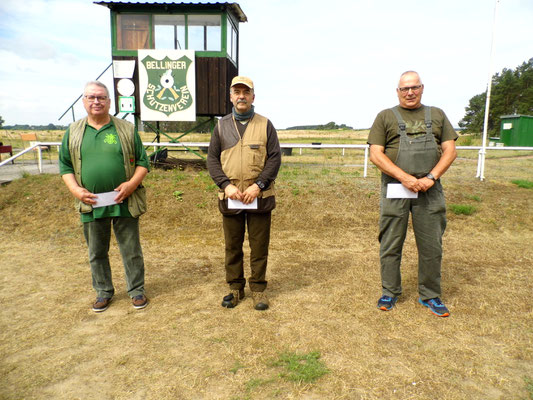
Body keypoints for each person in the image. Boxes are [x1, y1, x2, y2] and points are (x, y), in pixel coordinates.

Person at [368, 71, 458, 317]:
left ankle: (430, 295)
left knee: (431, 245)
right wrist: (405, 178)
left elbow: (450, 151)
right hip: (396, 188)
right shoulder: (385, 116)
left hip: (429, 189)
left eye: (414, 87)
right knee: (390, 243)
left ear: (422, 88)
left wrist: (431, 178)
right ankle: (390, 291)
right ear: (397, 91)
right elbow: (376, 154)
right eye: (404, 88)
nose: (410, 92)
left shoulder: (437, 115)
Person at [59, 81, 150, 313]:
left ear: (109, 102)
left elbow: (143, 162)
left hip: (125, 200)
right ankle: (103, 292)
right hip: (91, 203)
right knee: (97, 252)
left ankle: (136, 290)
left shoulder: (126, 129)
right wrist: (76, 191)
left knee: (131, 250)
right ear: (84, 101)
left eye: (101, 97)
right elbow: (65, 166)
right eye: (91, 97)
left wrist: (131, 185)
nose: (96, 101)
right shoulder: (73, 131)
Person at [207, 76, 281, 311]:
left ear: (252, 97)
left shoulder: (265, 124)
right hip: (231, 197)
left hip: (259, 197)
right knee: (233, 245)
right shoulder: (220, 126)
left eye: (245, 92)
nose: (241, 96)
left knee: (259, 245)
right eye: (237, 92)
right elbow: (212, 159)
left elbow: (275, 158)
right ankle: (235, 287)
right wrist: (226, 185)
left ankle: (258, 289)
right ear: (230, 96)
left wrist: (258, 185)